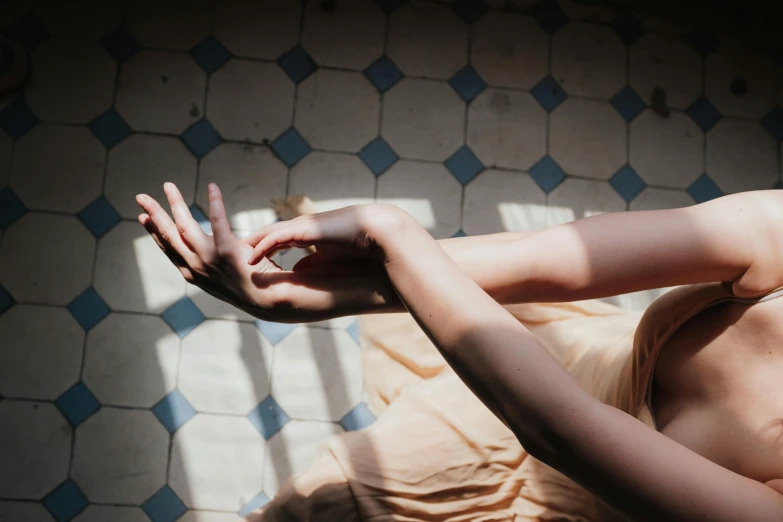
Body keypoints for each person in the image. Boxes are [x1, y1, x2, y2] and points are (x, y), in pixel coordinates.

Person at [136, 183, 783, 521]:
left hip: (571, 456)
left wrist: (390, 234)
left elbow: (557, 430)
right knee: (334, 496)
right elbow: (545, 259)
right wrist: (315, 291)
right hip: (558, 370)